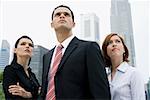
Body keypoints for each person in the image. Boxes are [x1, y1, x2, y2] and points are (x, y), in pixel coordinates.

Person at [40, 5, 111, 99]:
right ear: (52, 24)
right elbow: (44, 91)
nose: (62, 16)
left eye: (66, 14)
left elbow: (101, 91)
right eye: (57, 14)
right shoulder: (47, 56)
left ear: (73, 24)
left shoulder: (89, 48)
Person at [102, 33, 146, 100]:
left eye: (118, 41)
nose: (114, 44)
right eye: (110, 42)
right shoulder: (105, 78)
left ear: (124, 49)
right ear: (106, 51)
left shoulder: (133, 73)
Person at [3, 35, 40, 99]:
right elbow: (14, 96)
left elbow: (42, 93)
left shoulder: (32, 75)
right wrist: (35, 94)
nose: (27, 46)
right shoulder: (10, 70)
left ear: (32, 52)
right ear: (15, 50)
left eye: (30, 45)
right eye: (23, 44)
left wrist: (29, 94)